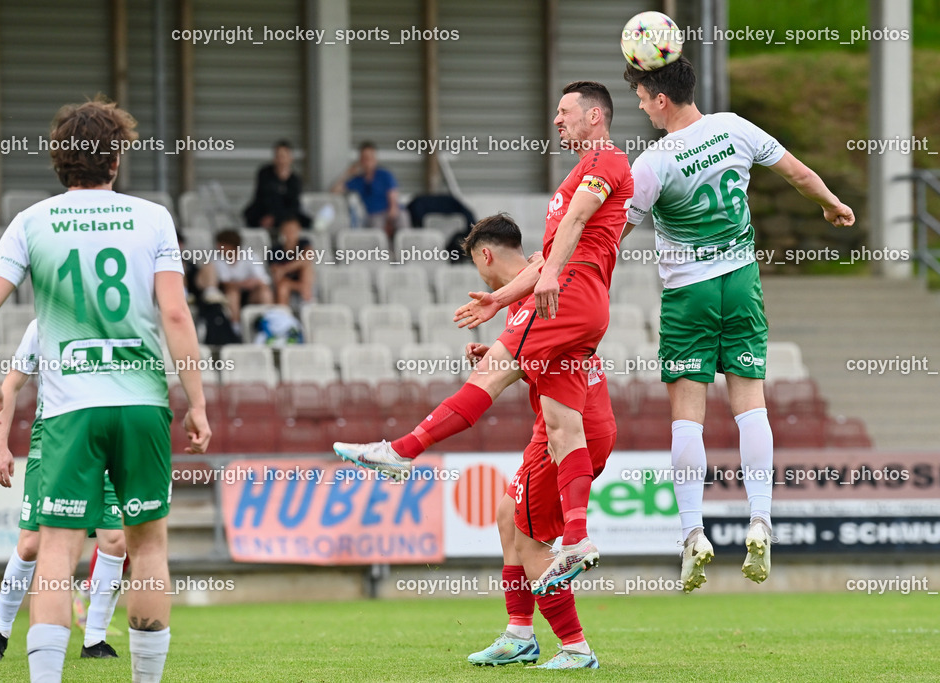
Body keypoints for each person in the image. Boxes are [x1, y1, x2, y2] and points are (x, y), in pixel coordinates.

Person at [334, 84, 633, 596]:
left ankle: (404, 452)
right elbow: (545, 258)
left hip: (571, 295)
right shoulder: (578, 172)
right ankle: (579, 540)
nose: (557, 121)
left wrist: (547, 281)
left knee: (489, 375)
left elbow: (572, 233)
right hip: (572, 298)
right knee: (563, 429)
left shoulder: (605, 160)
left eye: (564, 113)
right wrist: (500, 301)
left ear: (595, 115)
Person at [0, 96, 212, 682]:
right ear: (117, 158)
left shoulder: (31, 222)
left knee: (56, 550)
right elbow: (177, 317)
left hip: (70, 407)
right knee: (147, 547)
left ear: (58, 160)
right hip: (142, 402)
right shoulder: (153, 218)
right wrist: (197, 401)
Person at [622, 57, 855, 591]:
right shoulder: (734, 127)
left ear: (661, 99)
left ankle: (692, 534)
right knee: (752, 406)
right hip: (743, 283)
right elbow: (798, 174)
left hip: (690, 294)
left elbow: (616, 231)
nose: (639, 105)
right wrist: (832, 205)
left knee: (687, 418)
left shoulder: (654, 162)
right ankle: (760, 520)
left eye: (640, 95)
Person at [457, 216, 615, 670]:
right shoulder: (534, 293)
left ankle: (575, 648)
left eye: (476, 265)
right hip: (556, 428)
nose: (481, 278)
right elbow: (551, 361)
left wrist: (499, 367)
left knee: (529, 542)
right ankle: (519, 635)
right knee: (508, 517)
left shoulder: (543, 287)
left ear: (485, 255)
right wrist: (501, 355)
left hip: (567, 431)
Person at [0, 320, 126, 662]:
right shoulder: (43, 325)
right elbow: (12, 385)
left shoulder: (117, 322)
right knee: (30, 545)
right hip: (54, 438)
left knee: (115, 540)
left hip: (105, 439)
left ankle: (94, 640)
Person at [331, 141, 408, 235]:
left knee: (403, 217)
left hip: (389, 211)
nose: (367, 161)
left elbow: (392, 194)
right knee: (376, 225)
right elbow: (334, 191)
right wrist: (348, 174)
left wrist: (392, 212)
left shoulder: (385, 174)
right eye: (364, 158)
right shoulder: (357, 180)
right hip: (373, 214)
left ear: (375, 159)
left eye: (370, 158)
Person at [213, 228, 273, 329]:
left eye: (221, 245)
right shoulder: (216, 258)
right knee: (233, 292)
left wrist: (251, 283)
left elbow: (263, 280)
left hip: (251, 295)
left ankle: (270, 322)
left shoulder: (250, 256)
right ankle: (235, 328)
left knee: (265, 292)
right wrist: (244, 284)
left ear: (231, 245)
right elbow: (225, 283)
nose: (218, 248)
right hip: (229, 295)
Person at [242, 139, 310, 229]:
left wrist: (277, 217)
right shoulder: (265, 173)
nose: (281, 160)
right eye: (278, 156)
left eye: (283, 156)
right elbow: (264, 197)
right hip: (263, 212)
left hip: (284, 215)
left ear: (290, 158)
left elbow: (293, 204)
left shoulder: (295, 180)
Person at [267, 214, 315, 307]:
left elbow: (307, 258)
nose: (291, 233)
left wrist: (285, 269)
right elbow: (276, 273)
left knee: (306, 267)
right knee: (283, 286)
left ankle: (307, 301)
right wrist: (296, 265)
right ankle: (283, 314)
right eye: (288, 230)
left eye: (293, 230)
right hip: (285, 283)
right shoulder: (275, 250)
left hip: (303, 281)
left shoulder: (304, 243)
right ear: (282, 232)